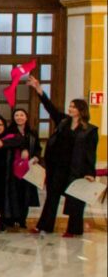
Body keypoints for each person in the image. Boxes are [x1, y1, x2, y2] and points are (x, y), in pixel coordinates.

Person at [28, 76, 99, 237]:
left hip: (76, 169)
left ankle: (73, 229)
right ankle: (45, 226)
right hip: (58, 167)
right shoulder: (63, 122)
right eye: (70, 106)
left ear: (81, 110)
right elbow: (50, 108)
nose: (70, 108)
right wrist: (39, 90)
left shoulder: (90, 130)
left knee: (75, 199)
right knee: (52, 197)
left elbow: (90, 154)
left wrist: (90, 172)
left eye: (73, 107)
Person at [0, 108, 41, 229]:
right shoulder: (9, 132)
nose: (19, 117)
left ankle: (22, 219)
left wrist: (37, 157)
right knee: (13, 193)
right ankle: (12, 218)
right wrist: (22, 148)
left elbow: (38, 148)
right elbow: (7, 144)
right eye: (16, 115)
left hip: (28, 168)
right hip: (12, 168)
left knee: (26, 194)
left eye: (21, 115)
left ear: (26, 117)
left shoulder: (32, 132)